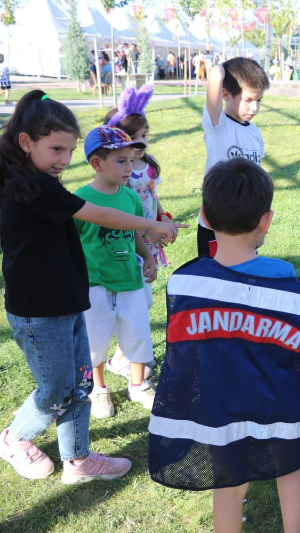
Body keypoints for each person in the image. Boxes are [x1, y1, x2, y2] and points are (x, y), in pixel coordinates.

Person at [0, 91, 181, 483]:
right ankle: (14, 438)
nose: (65, 160)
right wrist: (151, 226)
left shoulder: (37, 179)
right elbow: (97, 214)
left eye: (68, 150)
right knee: (58, 387)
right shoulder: (31, 186)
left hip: (68, 299)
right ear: (26, 142)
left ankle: (78, 460)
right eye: (56, 149)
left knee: (80, 379)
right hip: (38, 311)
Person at [148, 158, 300, 533]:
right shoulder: (289, 284)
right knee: (291, 465)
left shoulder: (186, 284)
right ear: (265, 220)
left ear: (204, 215)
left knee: (229, 485)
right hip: (279, 402)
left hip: (219, 407)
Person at [74, 126, 165, 418]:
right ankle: (98, 388)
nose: (129, 167)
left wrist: (148, 256)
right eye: (121, 161)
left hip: (130, 282)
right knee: (94, 341)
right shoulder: (80, 200)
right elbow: (71, 244)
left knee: (138, 335)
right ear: (96, 164)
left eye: (130, 159)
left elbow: (135, 231)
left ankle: (137, 384)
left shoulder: (130, 198)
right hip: (95, 285)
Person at [102, 84, 176, 378]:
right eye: (133, 137)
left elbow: (153, 198)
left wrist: (162, 218)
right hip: (129, 240)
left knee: (143, 299)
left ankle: (125, 356)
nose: (141, 142)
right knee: (134, 301)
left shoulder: (148, 167)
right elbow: (122, 213)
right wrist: (147, 232)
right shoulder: (119, 171)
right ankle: (123, 358)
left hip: (148, 239)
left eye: (144, 135)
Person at [197, 57, 270, 257]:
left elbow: (258, 183)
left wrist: (260, 228)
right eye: (248, 100)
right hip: (217, 226)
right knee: (215, 281)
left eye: (258, 100)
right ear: (225, 94)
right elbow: (214, 76)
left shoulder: (254, 132)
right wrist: (222, 68)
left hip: (247, 224)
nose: (254, 107)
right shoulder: (217, 126)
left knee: (244, 278)